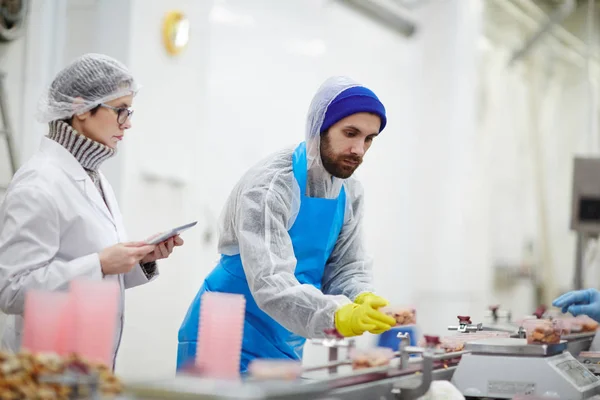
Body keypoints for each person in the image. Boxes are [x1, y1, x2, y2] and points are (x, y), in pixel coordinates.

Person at [177, 76, 396, 372]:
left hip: (285, 337)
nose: (359, 149)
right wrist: (339, 315)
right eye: (350, 133)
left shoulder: (349, 191)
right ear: (320, 128)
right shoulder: (271, 185)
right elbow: (270, 282)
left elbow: (346, 267)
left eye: (369, 139)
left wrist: (362, 296)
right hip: (224, 332)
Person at [0, 53, 184, 367]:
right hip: (45, 366)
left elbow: (91, 270)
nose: (128, 123)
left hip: (86, 363)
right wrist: (99, 263)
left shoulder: (93, 177)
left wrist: (139, 259)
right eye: (121, 111)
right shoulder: (39, 182)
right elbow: (11, 290)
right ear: (81, 108)